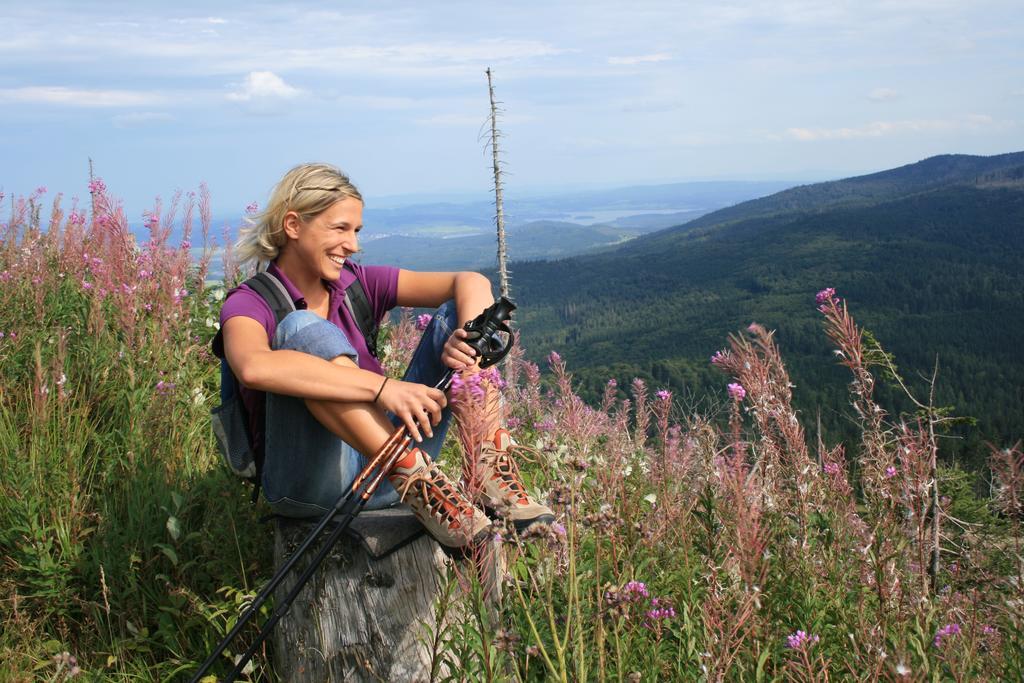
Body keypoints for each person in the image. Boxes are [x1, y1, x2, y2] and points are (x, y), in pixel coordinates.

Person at [219, 163, 554, 548]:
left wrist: (470, 348)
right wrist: (382, 388)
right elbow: (252, 366)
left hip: (399, 481)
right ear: (293, 225)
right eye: (340, 228)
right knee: (300, 329)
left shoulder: (356, 283)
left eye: (356, 231)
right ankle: (414, 473)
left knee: (455, 318)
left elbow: (470, 281)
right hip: (308, 486)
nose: (353, 244)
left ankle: (487, 464)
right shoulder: (250, 302)